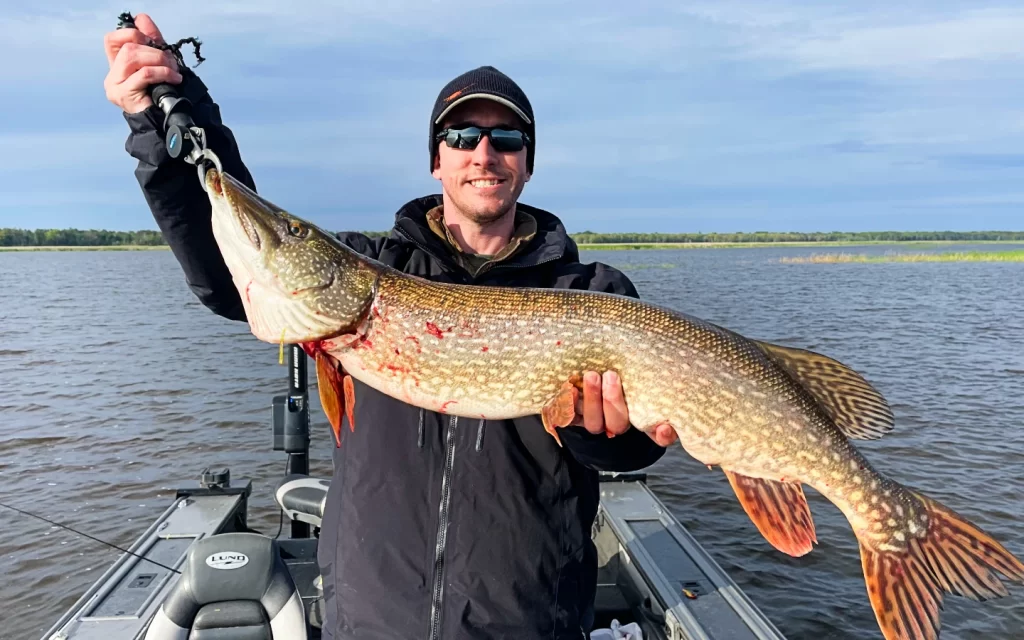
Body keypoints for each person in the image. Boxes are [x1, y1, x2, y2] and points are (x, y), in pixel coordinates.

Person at [104, 14, 677, 640]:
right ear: (437, 160)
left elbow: (637, 448)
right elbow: (225, 263)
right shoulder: (374, 269)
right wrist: (163, 115)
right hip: (374, 615)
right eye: (461, 136)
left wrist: (602, 434)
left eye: (506, 137)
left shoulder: (592, 294)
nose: (483, 153)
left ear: (528, 164)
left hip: (525, 618)